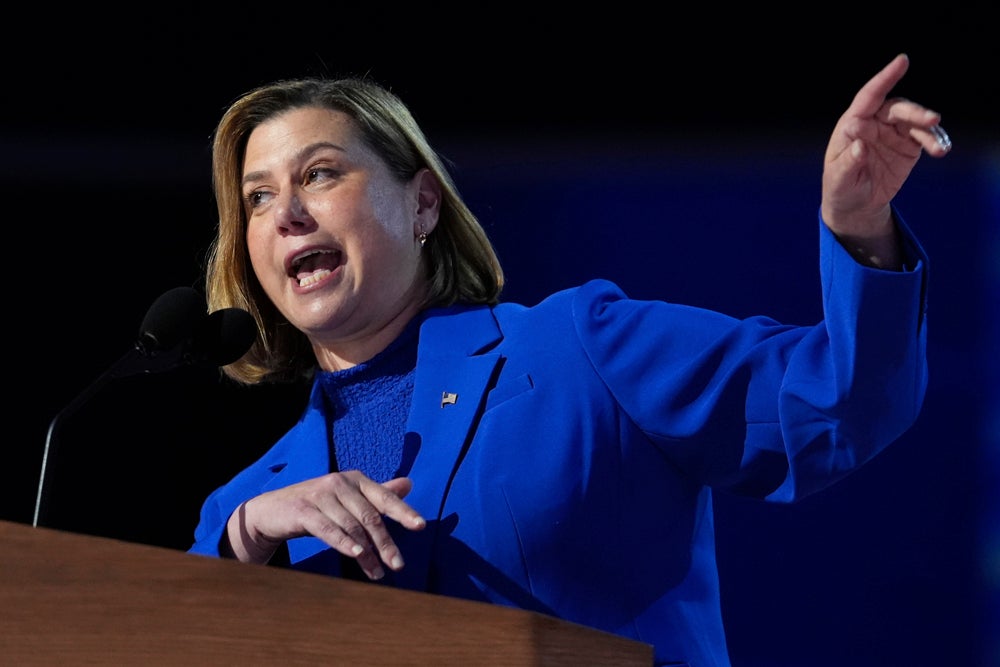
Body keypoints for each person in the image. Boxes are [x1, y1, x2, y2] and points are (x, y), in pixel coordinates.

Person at [188, 53, 951, 666]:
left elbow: (834, 405)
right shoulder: (250, 508)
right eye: (256, 198)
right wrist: (244, 541)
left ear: (423, 204)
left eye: (319, 174)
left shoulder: (579, 347)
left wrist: (857, 229)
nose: (285, 213)